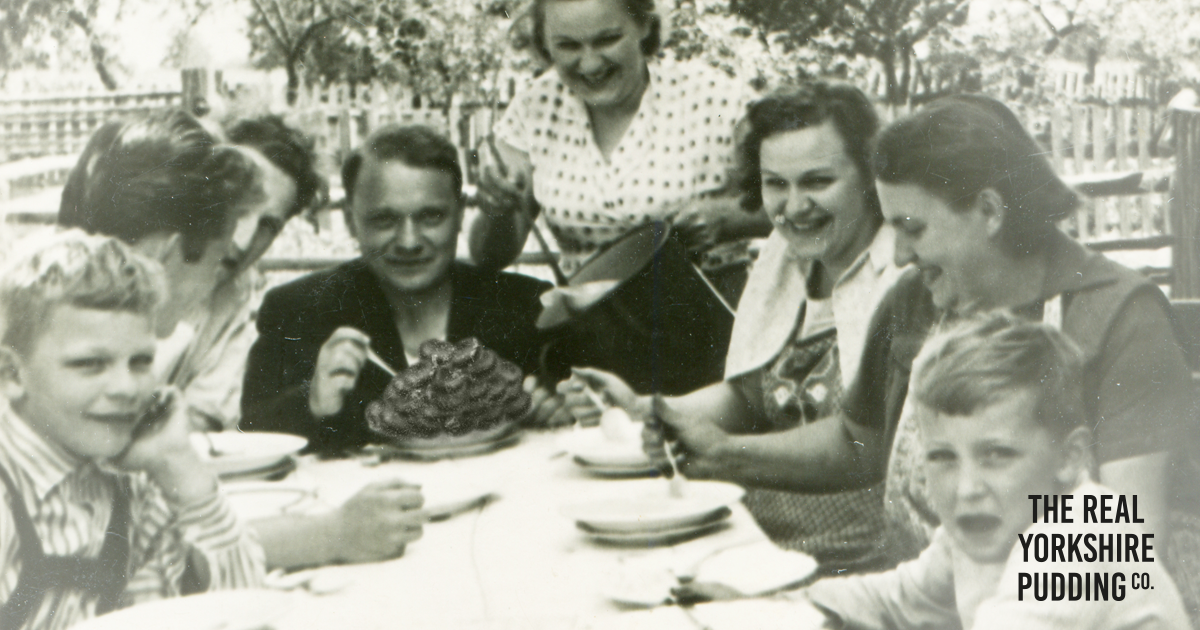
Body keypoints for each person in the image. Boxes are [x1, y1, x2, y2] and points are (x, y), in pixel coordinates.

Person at [629, 95, 1198, 593]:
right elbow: (860, 439)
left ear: (989, 211)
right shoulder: (918, 297)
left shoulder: (1117, 317)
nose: (898, 254)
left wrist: (971, 586)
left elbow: (1126, 543)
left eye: (913, 227)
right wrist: (724, 453)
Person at [58, 111, 427, 571]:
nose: (240, 241)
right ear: (169, 251)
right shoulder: (64, 357)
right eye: (226, 227)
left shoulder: (78, 309)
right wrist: (329, 535)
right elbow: (136, 556)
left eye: (267, 223)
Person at [566, 82, 905, 572]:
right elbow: (749, 395)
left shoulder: (902, 271)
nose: (793, 207)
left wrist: (729, 454)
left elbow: (866, 445)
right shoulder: (782, 255)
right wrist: (649, 409)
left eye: (817, 181)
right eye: (775, 184)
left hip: (855, 558)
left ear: (869, 176)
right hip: (750, 538)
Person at [803, 313, 1190, 630]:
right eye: (943, 457)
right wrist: (793, 603)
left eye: (998, 455)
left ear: (1069, 459)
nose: (967, 488)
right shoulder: (984, 525)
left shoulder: (1084, 538)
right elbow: (900, 598)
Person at [242, 124, 570, 456]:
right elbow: (249, 433)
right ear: (353, 223)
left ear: (459, 216)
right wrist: (312, 402)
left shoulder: (524, 307)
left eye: (431, 217)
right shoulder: (299, 309)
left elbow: (581, 413)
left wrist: (560, 411)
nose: (409, 242)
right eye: (384, 220)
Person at [0, 231, 264, 630]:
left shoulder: (131, 485)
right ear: (10, 374)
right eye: (90, 364)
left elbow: (241, 608)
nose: (126, 388)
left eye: (140, 362)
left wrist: (179, 466)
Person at [470, 0, 771, 300]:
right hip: (592, 330)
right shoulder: (533, 108)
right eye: (567, 46)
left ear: (643, 25)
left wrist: (727, 219)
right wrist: (496, 209)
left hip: (708, 321)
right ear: (545, 43)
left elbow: (801, 201)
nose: (590, 64)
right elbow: (489, 257)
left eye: (608, 39)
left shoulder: (713, 97)